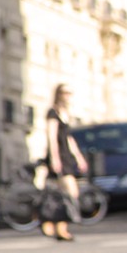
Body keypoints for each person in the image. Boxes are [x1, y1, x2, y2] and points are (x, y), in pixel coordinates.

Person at [43, 83, 90, 241]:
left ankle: (59, 228)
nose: (68, 96)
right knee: (69, 192)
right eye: (65, 93)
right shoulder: (53, 113)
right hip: (59, 158)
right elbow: (52, 137)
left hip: (67, 157)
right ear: (59, 94)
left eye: (70, 93)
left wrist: (79, 157)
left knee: (62, 195)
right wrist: (54, 158)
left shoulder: (66, 113)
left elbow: (68, 138)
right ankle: (51, 223)